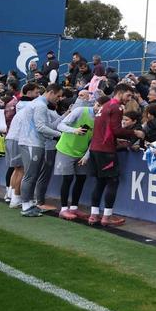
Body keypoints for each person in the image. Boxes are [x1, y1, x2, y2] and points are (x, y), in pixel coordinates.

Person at [88, 83, 136, 226]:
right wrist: (134, 132)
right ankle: (106, 217)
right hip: (106, 151)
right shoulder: (116, 107)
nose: (129, 99)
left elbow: (106, 129)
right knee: (112, 182)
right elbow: (116, 130)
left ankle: (94, 215)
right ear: (119, 92)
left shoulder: (104, 106)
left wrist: (115, 140)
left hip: (95, 149)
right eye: (128, 95)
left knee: (100, 182)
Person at [18, 84, 64, 216]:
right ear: (50, 92)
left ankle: (30, 204)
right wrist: (61, 134)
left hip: (34, 142)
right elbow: (41, 127)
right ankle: (26, 206)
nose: (59, 99)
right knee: (30, 176)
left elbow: (45, 126)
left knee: (33, 175)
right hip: (31, 143)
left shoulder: (38, 104)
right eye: (58, 95)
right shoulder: (40, 105)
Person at [54, 93, 97, 220]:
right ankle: (63, 209)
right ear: (95, 103)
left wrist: (86, 156)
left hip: (81, 153)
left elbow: (94, 140)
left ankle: (74, 207)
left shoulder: (100, 119)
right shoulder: (80, 111)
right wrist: (75, 130)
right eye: (98, 105)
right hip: (66, 149)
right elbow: (60, 125)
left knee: (81, 178)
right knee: (67, 179)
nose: (99, 109)